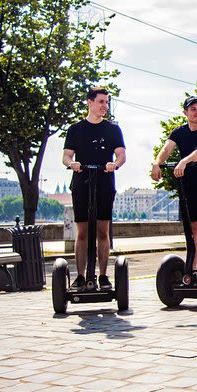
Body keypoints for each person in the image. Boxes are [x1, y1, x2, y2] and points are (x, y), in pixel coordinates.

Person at [62, 87, 126, 291]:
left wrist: (114, 164)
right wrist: (72, 164)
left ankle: (104, 276)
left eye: (107, 102)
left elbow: (121, 155)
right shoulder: (75, 129)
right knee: (82, 232)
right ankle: (80, 276)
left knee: (102, 230)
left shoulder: (113, 129)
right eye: (101, 102)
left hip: (105, 182)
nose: (105, 106)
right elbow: (66, 156)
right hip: (82, 182)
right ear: (89, 102)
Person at [151, 96, 197, 276]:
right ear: (185, 113)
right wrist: (157, 163)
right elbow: (166, 149)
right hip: (187, 185)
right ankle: (192, 270)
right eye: (193, 109)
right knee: (192, 229)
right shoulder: (179, 132)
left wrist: (183, 161)